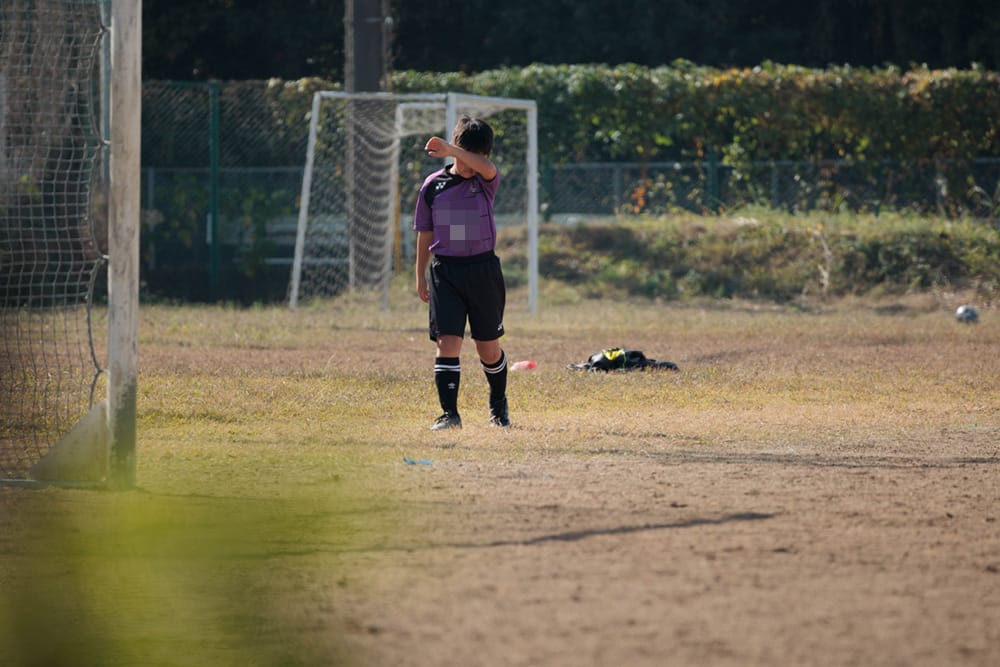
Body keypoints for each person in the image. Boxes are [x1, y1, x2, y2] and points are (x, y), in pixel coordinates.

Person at [413, 116, 510, 431]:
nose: (472, 163)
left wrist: (452, 149)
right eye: (468, 155)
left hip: (483, 270)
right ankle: (449, 414)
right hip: (446, 272)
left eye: (478, 156)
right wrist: (419, 275)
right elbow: (425, 233)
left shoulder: (484, 179)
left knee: (488, 347)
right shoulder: (433, 186)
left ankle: (498, 406)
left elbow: (486, 166)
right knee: (447, 343)